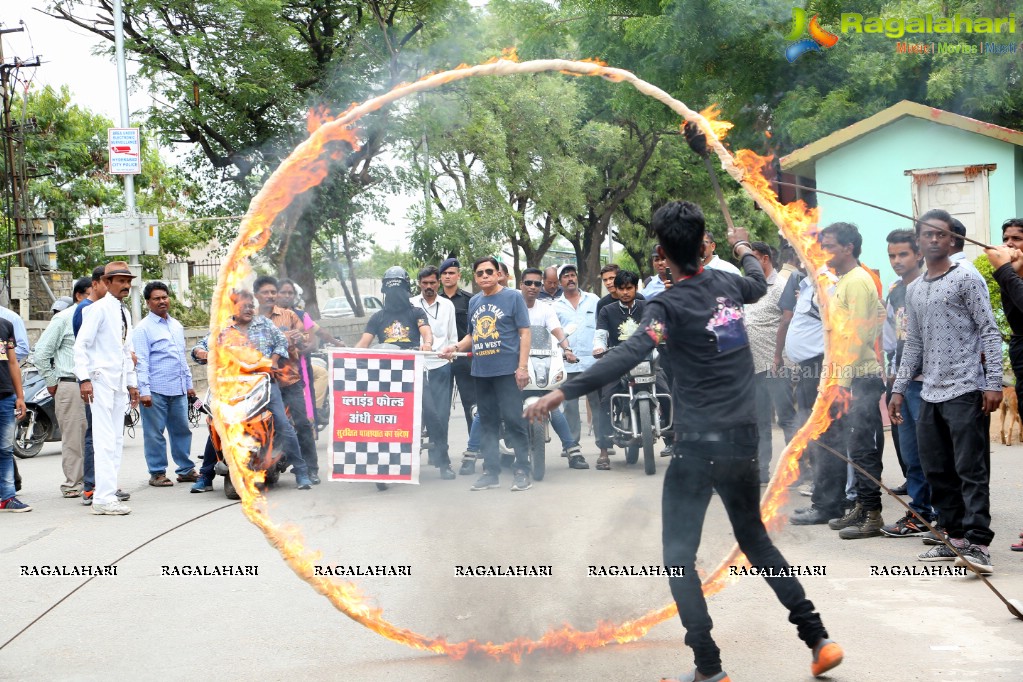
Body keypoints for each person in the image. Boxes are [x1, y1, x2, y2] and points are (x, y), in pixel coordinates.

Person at [524, 201, 841, 681]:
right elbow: (757, 281)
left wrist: (563, 390)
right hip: (741, 440)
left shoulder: (664, 306)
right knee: (754, 541)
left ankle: (710, 668)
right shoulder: (730, 283)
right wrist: (742, 248)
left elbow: (631, 350)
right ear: (703, 245)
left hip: (696, 447)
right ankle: (818, 637)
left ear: (662, 255)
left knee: (677, 558)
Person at [891, 208, 1002, 573]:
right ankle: (952, 537)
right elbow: (915, 344)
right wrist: (898, 388)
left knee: (970, 469)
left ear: (953, 240)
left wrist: (993, 383)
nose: (934, 239)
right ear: (919, 242)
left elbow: (988, 330)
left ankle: (978, 544)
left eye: (942, 234)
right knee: (937, 470)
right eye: (927, 234)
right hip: (929, 392)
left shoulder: (967, 277)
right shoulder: (915, 289)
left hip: (966, 388)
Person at [812, 223, 887, 540]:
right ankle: (860, 506)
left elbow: (856, 336)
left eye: (828, 245)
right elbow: (879, 314)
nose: (823, 251)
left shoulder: (857, 281)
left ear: (848, 248)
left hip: (859, 379)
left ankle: (872, 515)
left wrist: (842, 382)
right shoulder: (846, 281)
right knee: (854, 448)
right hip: (845, 377)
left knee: (862, 448)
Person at [439, 256, 532, 492]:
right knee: (488, 424)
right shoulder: (475, 302)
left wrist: (522, 367)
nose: (484, 276)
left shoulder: (513, 297)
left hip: (506, 372)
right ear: (475, 277)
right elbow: (471, 336)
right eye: (479, 273)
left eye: (489, 271)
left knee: (513, 421)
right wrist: (455, 347)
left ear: (499, 274)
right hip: (481, 372)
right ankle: (491, 472)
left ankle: (523, 470)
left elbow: (524, 332)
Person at [217, 289, 314, 490]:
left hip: (264, 384)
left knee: (283, 423)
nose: (250, 309)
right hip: (235, 386)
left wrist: (273, 362)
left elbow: (280, 342)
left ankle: (302, 471)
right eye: (244, 306)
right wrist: (200, 351)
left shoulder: (264, 324)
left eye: (251, 305)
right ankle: (205, 473)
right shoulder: (224, 329)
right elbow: (204, 347)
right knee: (218, 421)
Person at [74, 261, 140, 515]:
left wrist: (132, 383)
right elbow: (81, 346)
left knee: (115, 440)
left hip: (118, 382)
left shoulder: (123, 312)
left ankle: (107, 494)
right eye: (120, 281)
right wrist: (84, 379)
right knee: (103, 440)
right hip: (99, 380)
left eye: (128, 281)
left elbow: (126, 350)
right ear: (106, 282)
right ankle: (101, 497)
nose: (125, 285)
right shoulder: (97, 310)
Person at [880, 230, 934, 537]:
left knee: (933, 454)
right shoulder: (895, 292)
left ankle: (945, 515)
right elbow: (891, 338)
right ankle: (920, 513)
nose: (897, 261)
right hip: (903, 382)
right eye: (892, 255)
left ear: (919, 255)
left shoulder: (931, 287)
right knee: (911, 454)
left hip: (930, 383)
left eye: (903, 254)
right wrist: (892, 377)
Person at [254, 275, 321, 484]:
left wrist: (300, 338)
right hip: (260, 383)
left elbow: (308, 341)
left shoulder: (289, 316)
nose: (271, 296)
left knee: (301, 423)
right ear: (256, 295)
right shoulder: (250, 318)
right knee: (259, 425)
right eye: (266, 292)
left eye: (273, 292)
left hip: (289, 380)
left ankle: (310, 469)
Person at [518, 268, 586, 469]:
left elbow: (557, 331)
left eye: (537, 284)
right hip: (515, 365)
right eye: (528, 283)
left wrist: (567, 349)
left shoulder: (545, 309)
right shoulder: (512, 304)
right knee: (506, 406)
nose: (533, 287)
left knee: (554, 407)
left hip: (541, 363)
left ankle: (572, 451)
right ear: (521, 284)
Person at [134, 281, 198, 487]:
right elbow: (141, 361)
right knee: (154, 434)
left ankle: (186, 470)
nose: (162, 301)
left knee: (182, 430)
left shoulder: (176, 325)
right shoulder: (143, 329)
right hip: (155, 391)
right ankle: (157, 472)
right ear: (147, 302)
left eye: (164, 297)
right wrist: (143, 391)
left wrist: (188, 385)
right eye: (156, 298)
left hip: (177, 389)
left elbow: (181, 358)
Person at [34, 276, 92, 498]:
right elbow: (41, 353)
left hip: (97, 385)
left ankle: (95, 482)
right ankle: (74, 485)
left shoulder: (99, 317)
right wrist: (51, 382)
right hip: (70, 384)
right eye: (91, 294)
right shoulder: (64, 319)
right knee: (75, 438)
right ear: (79, 296)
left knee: (97, 436)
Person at [743, 242, 794, 484]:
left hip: (776, 365)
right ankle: (762, 470)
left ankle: (796, 469)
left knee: (785, 417)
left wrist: (778, 356)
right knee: (760, 420)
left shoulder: (781, 286)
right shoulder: (749, 287)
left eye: (751, 259)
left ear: (764, 259)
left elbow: (787, 321)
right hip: (752, 367)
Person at [987, 217, 1023, 551]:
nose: (1010, 245)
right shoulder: (1013, 278)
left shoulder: (1010, 275)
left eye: (1017, 239)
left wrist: (1005, 273)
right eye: (1006, 239)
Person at [593, 269, 645, 470]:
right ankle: (604, 451)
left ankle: (670, 437)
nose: (625, 292)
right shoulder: (607, 310)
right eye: (621, 288)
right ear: (616, 288)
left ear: (635, 288)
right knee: (606, 399)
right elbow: (600, 335)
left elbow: (657, 327)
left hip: (645, 360)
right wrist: (598, 347)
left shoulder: (646, 306)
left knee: (665, 387)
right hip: (617, 361)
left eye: (629, 288)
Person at [410, 266, 457, 479]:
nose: (429, 287)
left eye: (432, 283)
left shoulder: (447, 306)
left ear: (439, 283)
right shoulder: (410, 304)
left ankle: (442, 461)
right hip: (416, 366)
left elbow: (452, 337)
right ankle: (410, 461)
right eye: (425, 283)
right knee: (415, 416)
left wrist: (451, 353)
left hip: (440, 366)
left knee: (441, 415)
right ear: (419, 283)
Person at [553, 264, 601, 449]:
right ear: (560, 282)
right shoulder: (556, 307)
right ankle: (572, 444)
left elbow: (601, 327)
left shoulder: (593, 300)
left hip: (592, 362)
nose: (570, 279)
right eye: (566, 276)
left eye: (573, 275)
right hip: (568, 364)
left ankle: (602, 441)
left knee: (597, 402)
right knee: (570, 406)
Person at [439, 257, 476, 434]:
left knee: (471, 403)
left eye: (451, 273)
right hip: (440, 359)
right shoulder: (434, 301)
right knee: (440, 406)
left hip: (464, 358)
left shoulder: (470, 300)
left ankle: (475, 447)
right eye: (444, 273)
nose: (448, 276)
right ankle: (439, 450)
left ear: (458, 275)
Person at [0, 305, 28, 512]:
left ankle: (7, 497)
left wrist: (20, 396)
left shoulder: (5, 326)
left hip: (5, 395)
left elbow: (11, 362)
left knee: (5, 448)